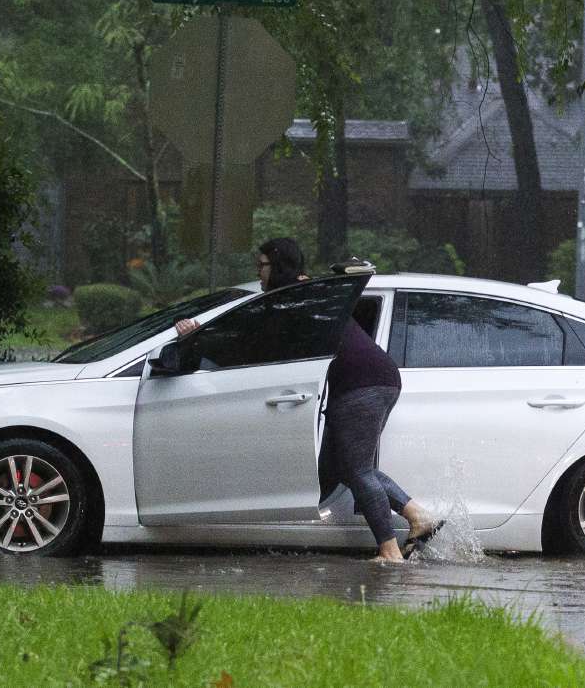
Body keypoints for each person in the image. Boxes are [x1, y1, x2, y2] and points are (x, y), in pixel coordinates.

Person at [176, 238, 440, 562]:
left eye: (262, 266)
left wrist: (198, 336)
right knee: (344, 467)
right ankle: (417, 516)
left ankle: (389, 550)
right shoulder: (301, 294)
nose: (259, 273)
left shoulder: (296, 299)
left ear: (278, 265)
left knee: (357, 470)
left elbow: (250, 340)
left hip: (363, 383)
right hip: (366, 379)